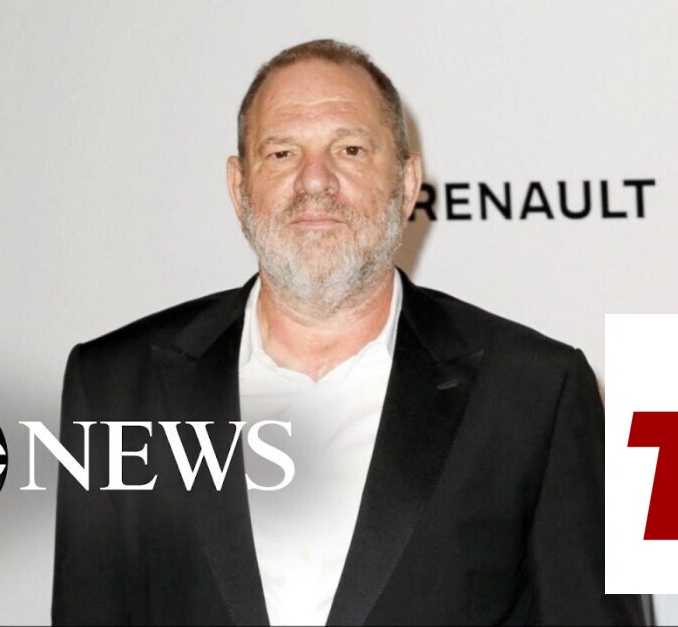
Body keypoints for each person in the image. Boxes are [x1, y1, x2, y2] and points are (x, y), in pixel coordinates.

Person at [52, 39, 644, 626]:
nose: (315, 181)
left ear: (407, 184)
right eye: (281, 153)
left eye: (350, 150)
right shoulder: (115, 388)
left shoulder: (534, 393)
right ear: (239, 188)